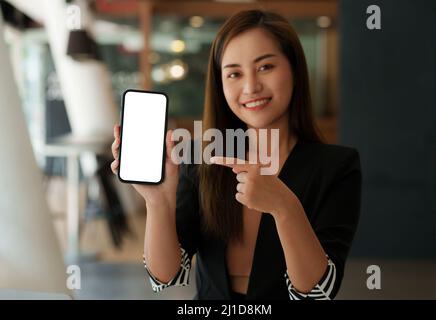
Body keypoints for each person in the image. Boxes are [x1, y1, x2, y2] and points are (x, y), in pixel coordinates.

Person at [110, 10, 361, 300]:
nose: (251, 86)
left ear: (294, 69)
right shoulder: (200, 160)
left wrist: (284, 207)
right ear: (220, 85)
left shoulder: (337, 166)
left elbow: (319, 291)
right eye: (234, 73)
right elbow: (166, 277)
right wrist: (158, 203)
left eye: (266, 67)